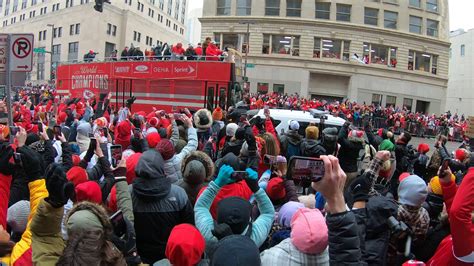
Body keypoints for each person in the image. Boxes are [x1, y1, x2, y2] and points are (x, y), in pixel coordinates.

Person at [130, 149, 194, 264]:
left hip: (140, 257)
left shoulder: (128, 194)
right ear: (162, 168)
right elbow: (189, 228)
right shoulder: (179, 194)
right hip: (170, 257)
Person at [337, 122, 365, 187]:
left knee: (341, 190)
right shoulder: (359, 145)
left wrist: (344, 126)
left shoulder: (349, 145)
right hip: (354, 171)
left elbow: (340, 138)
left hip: (346, 171)